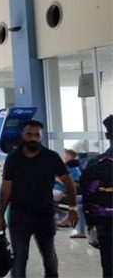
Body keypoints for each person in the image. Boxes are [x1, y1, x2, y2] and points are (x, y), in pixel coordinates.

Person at [0, 120, 78, 278]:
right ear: (23, 135)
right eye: (29, 134)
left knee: (49, 256)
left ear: (41, 137)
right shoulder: (13, 159)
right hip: (19, 216)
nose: (33, 138)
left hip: (44, 215)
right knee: (19, 258)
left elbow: (69, 183)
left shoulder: (51, 157)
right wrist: (0, 216)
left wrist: (72, 209)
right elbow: (6, 189)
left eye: (37, 135)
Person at [79, 114, 112, 278]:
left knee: (109, 267)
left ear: (107, 136)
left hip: (104, 223)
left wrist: (90, 226)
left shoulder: (95, 163)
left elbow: (85, 195)